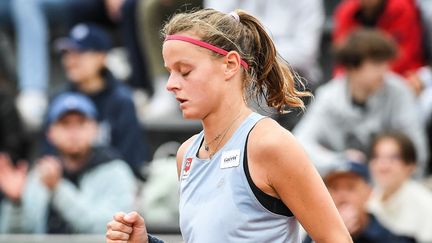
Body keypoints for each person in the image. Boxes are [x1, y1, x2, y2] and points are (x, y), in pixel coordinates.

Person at [106, 8, 352, 243]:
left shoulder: (270, 144)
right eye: (170, 71)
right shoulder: (186, 154)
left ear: (230, 65)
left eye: (185, 71)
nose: (171, 84)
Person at [293, 29, 428, 177]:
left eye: (385, 63)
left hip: (388, 182)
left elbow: (417, 152)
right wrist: (340, 161)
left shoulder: (399, 91)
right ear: (352, 67)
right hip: (343, 181)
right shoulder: (329, 96)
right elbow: (299, 143)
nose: (384, 71)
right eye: (376, 64)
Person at [0, 92, 136, 233]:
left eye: (81, 123)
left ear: (95, 129)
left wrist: (58, 189)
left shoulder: (116, 172)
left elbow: (108, 231)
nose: (73, 132)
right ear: (50, 133)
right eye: (65, 124)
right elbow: (13, 236)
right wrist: (16, 203)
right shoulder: (39, 175)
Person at [52, 22, 150, 177]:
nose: (71, 60)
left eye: (80, 53)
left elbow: (132, 160)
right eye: (67, 53)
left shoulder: (121, 101)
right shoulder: (59, 100)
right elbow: (48, 157)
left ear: (102, 56)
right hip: (64, 187)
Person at [304, 161, 416, 243]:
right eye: (335, 188)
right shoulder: (315, 233)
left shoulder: (389, 238)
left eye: (350, 187)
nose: (342, 195)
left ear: (369, 192)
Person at [333, 0, 425, 77]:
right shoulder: (346, 11)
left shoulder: (401, 8)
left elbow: (404, 56)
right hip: (359, 77)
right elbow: (342, 57)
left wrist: (374, 75)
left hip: (401, 75)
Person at [367, 132, 432, 243]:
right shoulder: (367, 200)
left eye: (393, 158)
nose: (383, 166)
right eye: (377, 157)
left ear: (411, 166)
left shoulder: (426, 205)